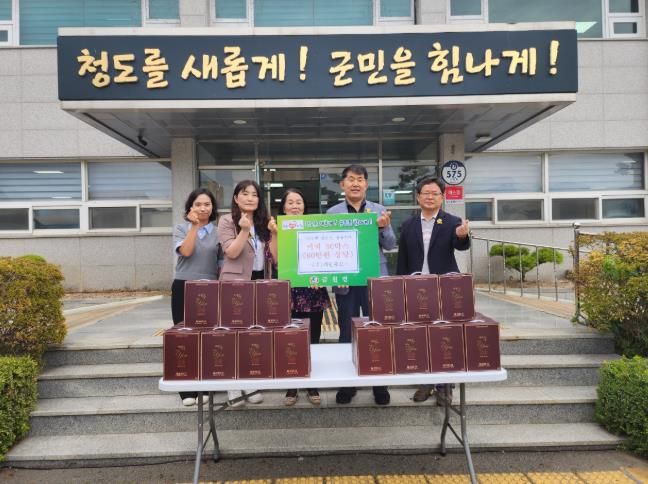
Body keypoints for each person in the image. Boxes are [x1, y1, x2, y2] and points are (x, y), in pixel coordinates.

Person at [396, 176, 470, 404]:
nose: (430, 197)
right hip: (416, 289)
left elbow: (461, 245)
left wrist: (462, 235)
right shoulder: (408, 225)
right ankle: (426, 382)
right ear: (418, 197)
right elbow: (402, 258)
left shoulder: (452, 221)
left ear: (442, 197)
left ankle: (445, 386)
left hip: (443, 288)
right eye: (425, 193)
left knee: (444, 336)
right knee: (420, 336)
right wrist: (400, 286)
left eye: (435, 193)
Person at [327, 164, 397, 405]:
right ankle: (348, 385)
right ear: (342, 185)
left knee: (376, 329)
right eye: (350, 179)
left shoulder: (379, 210)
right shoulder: (332, 213)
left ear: (366, 184)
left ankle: (379, 384)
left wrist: (384, 227)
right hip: (346, 280)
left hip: (374, 278)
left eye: (360, 179)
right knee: (346, 331)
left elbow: (390, 245)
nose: (355, 183)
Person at [218, 180, 278, 406]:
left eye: (255, 194)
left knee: (253, 334)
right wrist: (244, 230)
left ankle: (250, 381)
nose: (250, 198)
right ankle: (232, 385)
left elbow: (275, 258)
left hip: (261, 282)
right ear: (236, 198)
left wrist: (275, 234)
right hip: (235, 283)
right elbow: (231, 252)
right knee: (233, 333)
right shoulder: (226, 221)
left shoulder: (264, 223)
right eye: (245, 193)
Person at [279, 188, 330, 406]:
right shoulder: (276, 229)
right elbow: (273, 260)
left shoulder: (314, 228)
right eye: (290, 202)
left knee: (312, 340)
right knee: (290, 340)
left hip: (313, 293)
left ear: (304, 206)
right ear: (283, 207)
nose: (295, 206)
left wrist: (324, 275)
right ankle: (292, 385)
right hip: (286, 294)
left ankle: (311, 383)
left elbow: (327, 255)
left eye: (298, 202)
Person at [172, 188, 220, 407]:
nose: (203, 208)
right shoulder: (181, 228)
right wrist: (193, 226)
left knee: (207, 337)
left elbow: (221, 265)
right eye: (198, 204)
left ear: (213, 208)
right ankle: (186, 387)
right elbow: (186, 251)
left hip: (209, 287)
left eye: (207, 204)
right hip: (184, 285)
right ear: (190, 207)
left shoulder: (218, 232)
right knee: (184, 336)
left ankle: (205, 384)